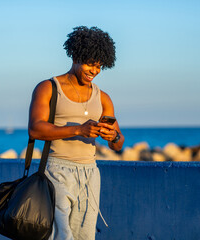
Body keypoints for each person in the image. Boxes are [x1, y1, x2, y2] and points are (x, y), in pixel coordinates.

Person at [28, 26, 124, 240]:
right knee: (60, 236)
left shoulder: (103, 98)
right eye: (90, 63)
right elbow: (35, 128)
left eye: (100, 66)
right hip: (56, 171)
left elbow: (118, 144)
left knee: (84, 237)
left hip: (90, 174)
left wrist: (113, 137)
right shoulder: (48, 87)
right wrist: (79, 129)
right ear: (75, 56)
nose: (94, 70)